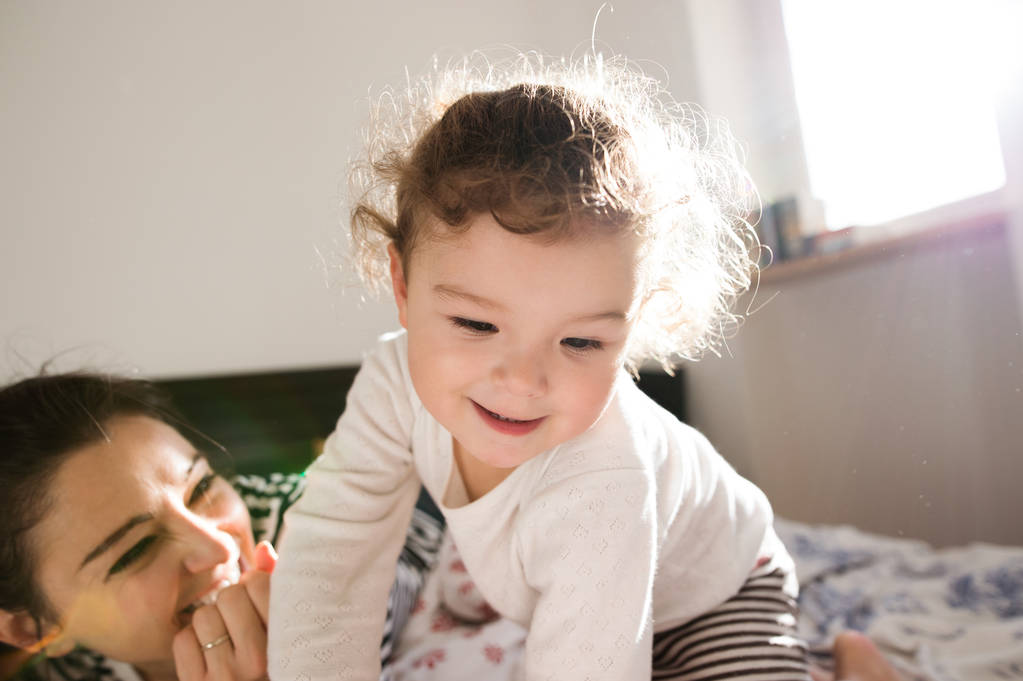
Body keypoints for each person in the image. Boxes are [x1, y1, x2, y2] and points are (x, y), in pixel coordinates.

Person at [268, 54, 807, 681]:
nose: (523, 383)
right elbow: (334, 555)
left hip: (715, 592)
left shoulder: (605, 471)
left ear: (631, 326)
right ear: (403, 287)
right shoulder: (392, 386)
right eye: (476, 325)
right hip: (591, 582)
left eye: (580, 342)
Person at [0, 372, 443, 681]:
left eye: (202, 487)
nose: (217, 547)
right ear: (34, 629)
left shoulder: (316, 528)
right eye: (135, 551)